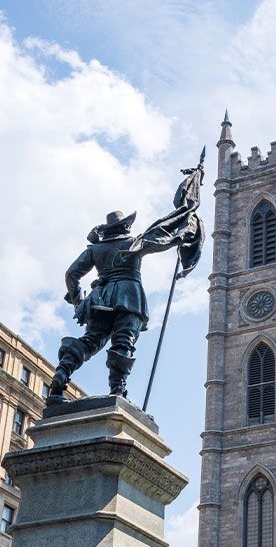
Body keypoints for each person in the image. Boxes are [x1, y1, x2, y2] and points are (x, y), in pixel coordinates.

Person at [48, 163, 205, 403]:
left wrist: (78, 300)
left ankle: (62, 373)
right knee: (123, 341)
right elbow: (164, 238)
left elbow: (71, 274)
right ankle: (117, 389)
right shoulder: (134, 242)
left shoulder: (95, 250)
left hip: (99, 299)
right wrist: (183, 232)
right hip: (129, 297)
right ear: (125, 227)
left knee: (90, 340)